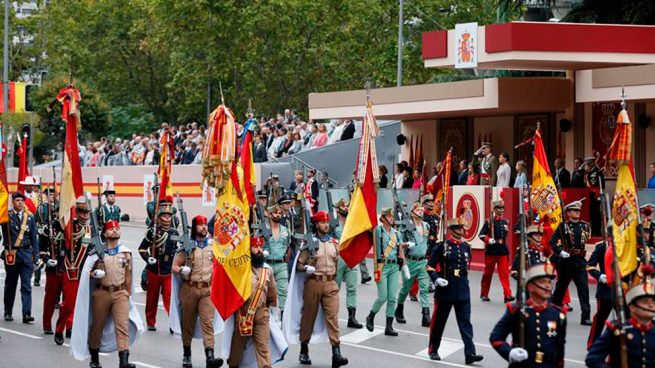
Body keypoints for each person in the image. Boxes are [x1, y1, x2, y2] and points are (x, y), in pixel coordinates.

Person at [70, 220, 143, 368]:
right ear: (105, 233)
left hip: (120, 293)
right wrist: (94, 273)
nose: (115, 231)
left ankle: (124, 361)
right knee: (98, 326)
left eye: (117, 228)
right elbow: (85, 274)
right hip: (101, 293)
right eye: (111, 229)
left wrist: (127, 294)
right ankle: (94, 357)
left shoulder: (125, 252)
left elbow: (128, 274)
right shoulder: (96, 252)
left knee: (122, 326)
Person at [284, 211, 348, 367]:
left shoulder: (334, 242)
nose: (325, 225)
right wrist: (306, 268)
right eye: (322, 222)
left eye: (326, 222)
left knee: (332, 317)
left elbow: (339, 263)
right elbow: (298, 265)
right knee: (308, 317)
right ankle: (304, 349)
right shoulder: (309, 243)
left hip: (330, 284)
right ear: (317, 225)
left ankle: (336, 353)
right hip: (313, 282)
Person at [427, 217, 483, 364]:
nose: (461, 230)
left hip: (463, 289)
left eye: (462, 228)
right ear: (451, 230)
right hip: (446, 289)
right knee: (439, 323)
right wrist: (436, 279)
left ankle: (470, 353)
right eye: (458, 228)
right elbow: (430, 266)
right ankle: (433, 349)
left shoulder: (466, 246)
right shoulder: (442, 246)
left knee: (465, 323)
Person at [489, 262, 567, 368]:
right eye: (543, 282)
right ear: (531, 287)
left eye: (549, 282)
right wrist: (510, 353)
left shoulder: (557, 314)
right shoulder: (517, 310)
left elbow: (559, 351)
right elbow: (496, 338)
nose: (548, 285)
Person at [171, 215, 224, 368]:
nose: (204, 228)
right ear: (194, 228)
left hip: (207, 290)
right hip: (189, 289)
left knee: (208, 323)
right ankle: (187, 354)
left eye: (205, 225)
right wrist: (181, 269)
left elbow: (221, 263)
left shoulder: (213, 246)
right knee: (187, 324)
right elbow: (174, 266)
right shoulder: (187, 246)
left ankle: (210, 357)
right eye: (200, 226)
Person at [225, 239, 286, 368]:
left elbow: (272, 296)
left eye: (260, 247)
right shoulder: (240, 270)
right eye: (255, 247)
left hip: (261, 314)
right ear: (248, 250)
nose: (259, 250)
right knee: (237, 349)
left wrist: (273, 315)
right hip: (242, 314)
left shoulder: (267, 270)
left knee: (263, 349)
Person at [586, 280, 655, 367]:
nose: (651, 305)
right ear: (632, 307)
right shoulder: (618, 330)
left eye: (653, 302)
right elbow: (593, 359)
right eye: (645, 302)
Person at [54, 198, 94, 345]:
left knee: (81, 305)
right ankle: (59, 328)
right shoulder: (71, 225)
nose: (84, 215)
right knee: (68, 304)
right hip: (72, 269)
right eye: (81, 212)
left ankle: (71, 327)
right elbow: (56, 224)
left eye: (87, 213)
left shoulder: (92, 229)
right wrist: (66, 210)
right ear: (76, 212)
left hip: (86, 272)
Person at [549, 200, 592, 325]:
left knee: (584, 290)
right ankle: (552, 312)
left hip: (580, 262)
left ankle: (585, 316)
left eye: (579, 210)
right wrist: (560, 252)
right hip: (566, 262)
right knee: (560, 289)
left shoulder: (585, 226)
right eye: (575, 210)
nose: (577, 212)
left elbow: (585, 242)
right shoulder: (563, 226)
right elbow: (552, 242)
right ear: (568, 212)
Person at [138, 203, 178, 331]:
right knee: (152, 298)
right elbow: (142, 248)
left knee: (169, 299)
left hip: (168, 271)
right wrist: (147, 258)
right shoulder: (153, 232)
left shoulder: (174, 232)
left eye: (169, 216)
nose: (167, 218)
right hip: (154, 270)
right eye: (164, 216)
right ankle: (150, 322)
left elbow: (177, 250)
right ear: (159, 218)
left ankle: (173, 323)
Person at [366, 208, 404, 336]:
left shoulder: (396, 233)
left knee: (392, 297)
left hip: (394, 267)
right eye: (388, 216)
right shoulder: (378, 231)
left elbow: (400, 250)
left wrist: (403, 263)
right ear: (383, 218)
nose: (391, 218)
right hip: (382, 266)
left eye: (392, 215)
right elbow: (370, 231)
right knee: (382, 296)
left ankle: (389, 326)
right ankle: (371, 316)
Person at [3, 192, 38, 323]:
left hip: (26, 255)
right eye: (17, 200)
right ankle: (8, 311)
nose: (20, 203)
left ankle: (27, 314)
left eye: (22, 201)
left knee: (26, 286)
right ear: (13, 202)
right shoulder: (6, 217)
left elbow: (34, 239)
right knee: (10, 284)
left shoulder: (29, 218)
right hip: (12, 255)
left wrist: (36, 256)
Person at [395, 202, 432, 327]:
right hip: (410, 261)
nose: (421, 211)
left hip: (422, 261)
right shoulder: (407, 226)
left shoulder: (426, 225)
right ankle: (399, 308)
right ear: (412, 212)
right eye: (418, 209)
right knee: (406, 288)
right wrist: (406, 244)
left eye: (422, 209)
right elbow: (399, 241)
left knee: (425, 288)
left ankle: (426, 315)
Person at [333, 199, 363, 329]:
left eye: (347, 206)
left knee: (352, 288)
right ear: (338, 209)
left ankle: (352, 317)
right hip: (338, 258)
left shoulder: (352, 223)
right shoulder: (333, 224)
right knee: (335, 289)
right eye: (343, 206)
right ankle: (332, 315)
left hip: (351, 258)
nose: (346, 208)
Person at [479, 200, 514, 303]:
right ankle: (484, 294)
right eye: (498, 208)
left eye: (502, 208)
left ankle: (507, 295)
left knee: (504, 274)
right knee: (488, 274)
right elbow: (481, 234)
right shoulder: (489, 222)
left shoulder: (506, 222)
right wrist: (488, 240)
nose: (501, 210)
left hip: (502, 250)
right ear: (494, 210)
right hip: (491, 250)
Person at [39, 196, 64, 335]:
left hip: (66, 268)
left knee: (67, 302)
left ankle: (65, 327)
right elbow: (42, 248)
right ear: (55, 213)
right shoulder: (48, 228)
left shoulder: (72, 229)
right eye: (59, 212)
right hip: (53, 268)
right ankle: (47, 325)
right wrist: (47, 258)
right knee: (50, 298)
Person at [263, 204, 291, 318]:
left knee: (283, 291)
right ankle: (267, 317)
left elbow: (288, 247)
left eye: (279, 213)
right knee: (265, 292)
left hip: (281, 264)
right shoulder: (264, 229)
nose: (278, 215)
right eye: (275, 213)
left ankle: (283, 318)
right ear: (270, 214)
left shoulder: (285, 230)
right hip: (267, 264)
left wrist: (285, 263)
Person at [586, 240, 613, 348]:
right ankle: (593, 343)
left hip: (623, 289)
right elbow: (590, 266)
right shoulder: (602, 246)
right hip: (606, 288)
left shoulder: (627, 246)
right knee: (601, 318)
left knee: (625, 319)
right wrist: (600, 276)